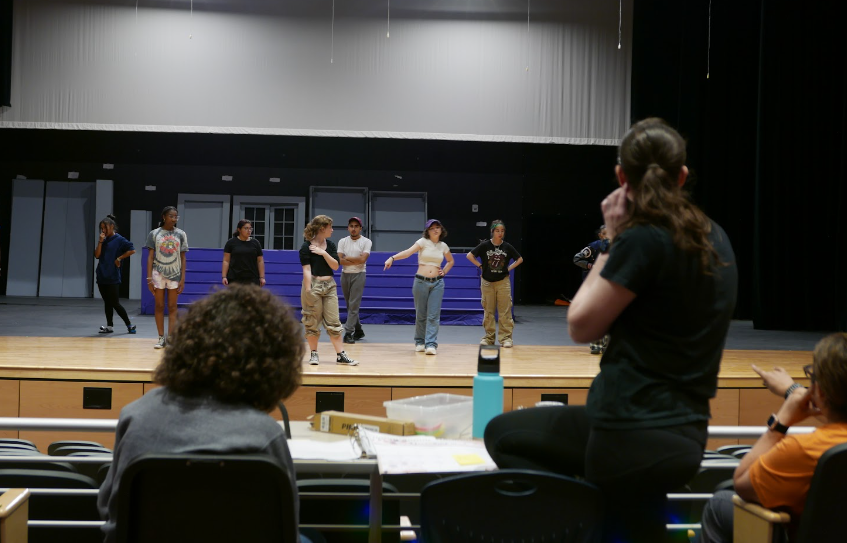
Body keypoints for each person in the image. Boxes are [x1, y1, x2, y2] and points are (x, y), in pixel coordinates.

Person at [484, 118, 738, 543]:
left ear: (622, 177)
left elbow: (581, 324)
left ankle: (573, 523)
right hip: (687, 435)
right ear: (682, 176)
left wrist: (615, 240)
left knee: (503, 436)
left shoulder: (642, 239)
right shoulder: (718, 238)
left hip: (627, 432)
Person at [97, 285, 312, 543]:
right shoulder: (265, 434)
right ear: (270, 362)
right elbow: (286, 527)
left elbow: (111, 513)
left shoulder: (135, 415)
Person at [700, 332, 847, 543]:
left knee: (720, 503)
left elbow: (742, 483)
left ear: (820, 392)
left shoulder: (803, 449)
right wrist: (794, 391)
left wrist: (781, 422)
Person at [384, 219, 454, 355]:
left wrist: (444, 271)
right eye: (432, 228)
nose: (435, 230)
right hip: (421, 282)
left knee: (433, 315)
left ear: (441, 230)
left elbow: (451, 261)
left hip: (437, 283)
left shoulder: (443, 246)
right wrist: (392, 258)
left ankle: (431, 344)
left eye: (437, 227)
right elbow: (408, 252)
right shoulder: (422, 242)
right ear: (428, 231)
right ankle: (420, 342)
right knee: (421, 314)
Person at [299, 215, 358, 366]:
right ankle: (313, 353)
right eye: (330, 227)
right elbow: (306, 270)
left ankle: (340, 355)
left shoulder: (331, 245)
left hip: (330, 286)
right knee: (311, 321)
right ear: (322, 229)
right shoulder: (306, 247)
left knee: (334, 322)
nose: (332, 230)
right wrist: (308, 290)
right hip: (314, 285)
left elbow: (335, 266)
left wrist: (322, 253)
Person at [466, 220, 523, 348]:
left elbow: (520, 259)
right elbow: (470, 256)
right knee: (488, 311)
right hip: (487, 283)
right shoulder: (485, 246)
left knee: (505, 311)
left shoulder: (507, 246)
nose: (500, 233)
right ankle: (489, 337)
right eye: (497, 231)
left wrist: (509, 268)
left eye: (502, 231)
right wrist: (480, 266)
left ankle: (506, 338)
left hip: (503, 282)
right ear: (492, 231)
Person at [146, 206, 189, 349]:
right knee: (159, 306)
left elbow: (183, 258)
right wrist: (149, 278)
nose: (174, 219)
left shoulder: (181, 234)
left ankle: (170, 337)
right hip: (158, 274)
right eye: (171, 216)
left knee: (172, 306)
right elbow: (150, 256)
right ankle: (160, 337)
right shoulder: (154, 234)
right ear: (164, 216)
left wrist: (182, 278)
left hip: (175, 274)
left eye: (176, 216)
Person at [94, 214, 136, 334]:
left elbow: (132, 250)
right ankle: (109, 326)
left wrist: (119, 258)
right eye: (101, 228)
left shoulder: (119, 239)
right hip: (101, 275)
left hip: (112, 276)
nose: (103, 230)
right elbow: (97, 255)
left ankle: (129, 325)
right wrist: (100, 242)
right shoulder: (103, 240)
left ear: (112, 226)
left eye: (105, 228)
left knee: (114, 303)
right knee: (107, 302)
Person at [573, 225, 611, 355]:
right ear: (600, 235)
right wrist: (591, 265)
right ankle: (596, 344)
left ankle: (608, 344)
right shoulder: (594, 247)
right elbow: (577, 258)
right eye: (605, 233)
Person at [337, 217, 372, 344]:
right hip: (345, 274)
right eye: (351, 226)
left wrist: (348, 258)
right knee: (350, 305)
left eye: (356, 226)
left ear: (360, 228)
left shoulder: (366, 242)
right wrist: (355, 259)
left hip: (359, 274)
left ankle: (348, 332)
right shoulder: (342, 241)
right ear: (348, 228)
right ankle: (358, 330)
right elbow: (339, 260)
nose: (353, 228)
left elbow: (363, 260)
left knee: (353, 305)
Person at [222, 219, 265, 287]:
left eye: (250, 228)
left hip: (252, 278)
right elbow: (226, 261)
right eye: (246, 228)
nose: (249, 231)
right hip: (235, 278)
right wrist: (224, 276)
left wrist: (262, 277)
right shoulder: (231, 243)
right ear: (239, 229)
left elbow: (260, 261)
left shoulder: (255, 243)